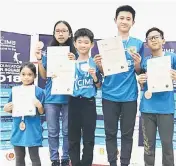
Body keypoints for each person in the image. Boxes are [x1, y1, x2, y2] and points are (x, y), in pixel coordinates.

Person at [94, 5, 144, 166]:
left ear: (133, 22)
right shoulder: (106, 44)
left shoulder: (138, 43)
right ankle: (112, 163)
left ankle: (125, 163)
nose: (124, 21)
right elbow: (102, 72)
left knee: (127, 134)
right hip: (109, 95)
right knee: (110, 133)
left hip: (129, 95)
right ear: (115, 20)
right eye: (121, 18)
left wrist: (137, 64)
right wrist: (100, 65)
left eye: (128, 19)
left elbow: (139, 72)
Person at [138, 27, 176, 166]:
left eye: (156, 37)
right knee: (148, 147)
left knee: (167, 146)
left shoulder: (173, 58)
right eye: (150, 38)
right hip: (147, 109)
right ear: (146, 44)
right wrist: (140, 82)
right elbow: (143, 86)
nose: (153, 40)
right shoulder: (145, 61)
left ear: (163, 40)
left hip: (166, 109)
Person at [34, 20, 77, 166]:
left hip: (69, 97)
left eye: (64, 30)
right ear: (54, 33)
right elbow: (44, 75)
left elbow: (79, 75)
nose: (60, 33)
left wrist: (75, 61)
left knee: (66, 131)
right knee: (52, 131)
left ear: (69, 34)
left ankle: (65, 158)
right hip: (51, 98)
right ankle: (54, 159)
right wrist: (39, 60)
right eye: (58, 30)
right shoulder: (48, 52)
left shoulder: (75, 53)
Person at [68, 28, 102, 166]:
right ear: (75, 44)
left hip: (89, 103)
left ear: (92, 44)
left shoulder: (96, 63)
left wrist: (94, 76)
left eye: (86, 42)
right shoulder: (70, 63)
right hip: (73, 102)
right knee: (73, 138)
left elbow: (99, 85)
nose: (83, 45)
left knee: (89, 138)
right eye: (80, 42)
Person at [3, 62, 45, 166]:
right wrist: (6, 108)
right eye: (23, 74)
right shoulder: (15, 91)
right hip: (18, 127)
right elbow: (11, 109)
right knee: (19, 157)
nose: (26, 77)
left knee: (34, 156)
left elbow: (42, 112)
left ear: (35, 76)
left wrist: (39, 106)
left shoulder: (39, 91)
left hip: (32, 127)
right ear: (19, 75)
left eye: (30, 74)